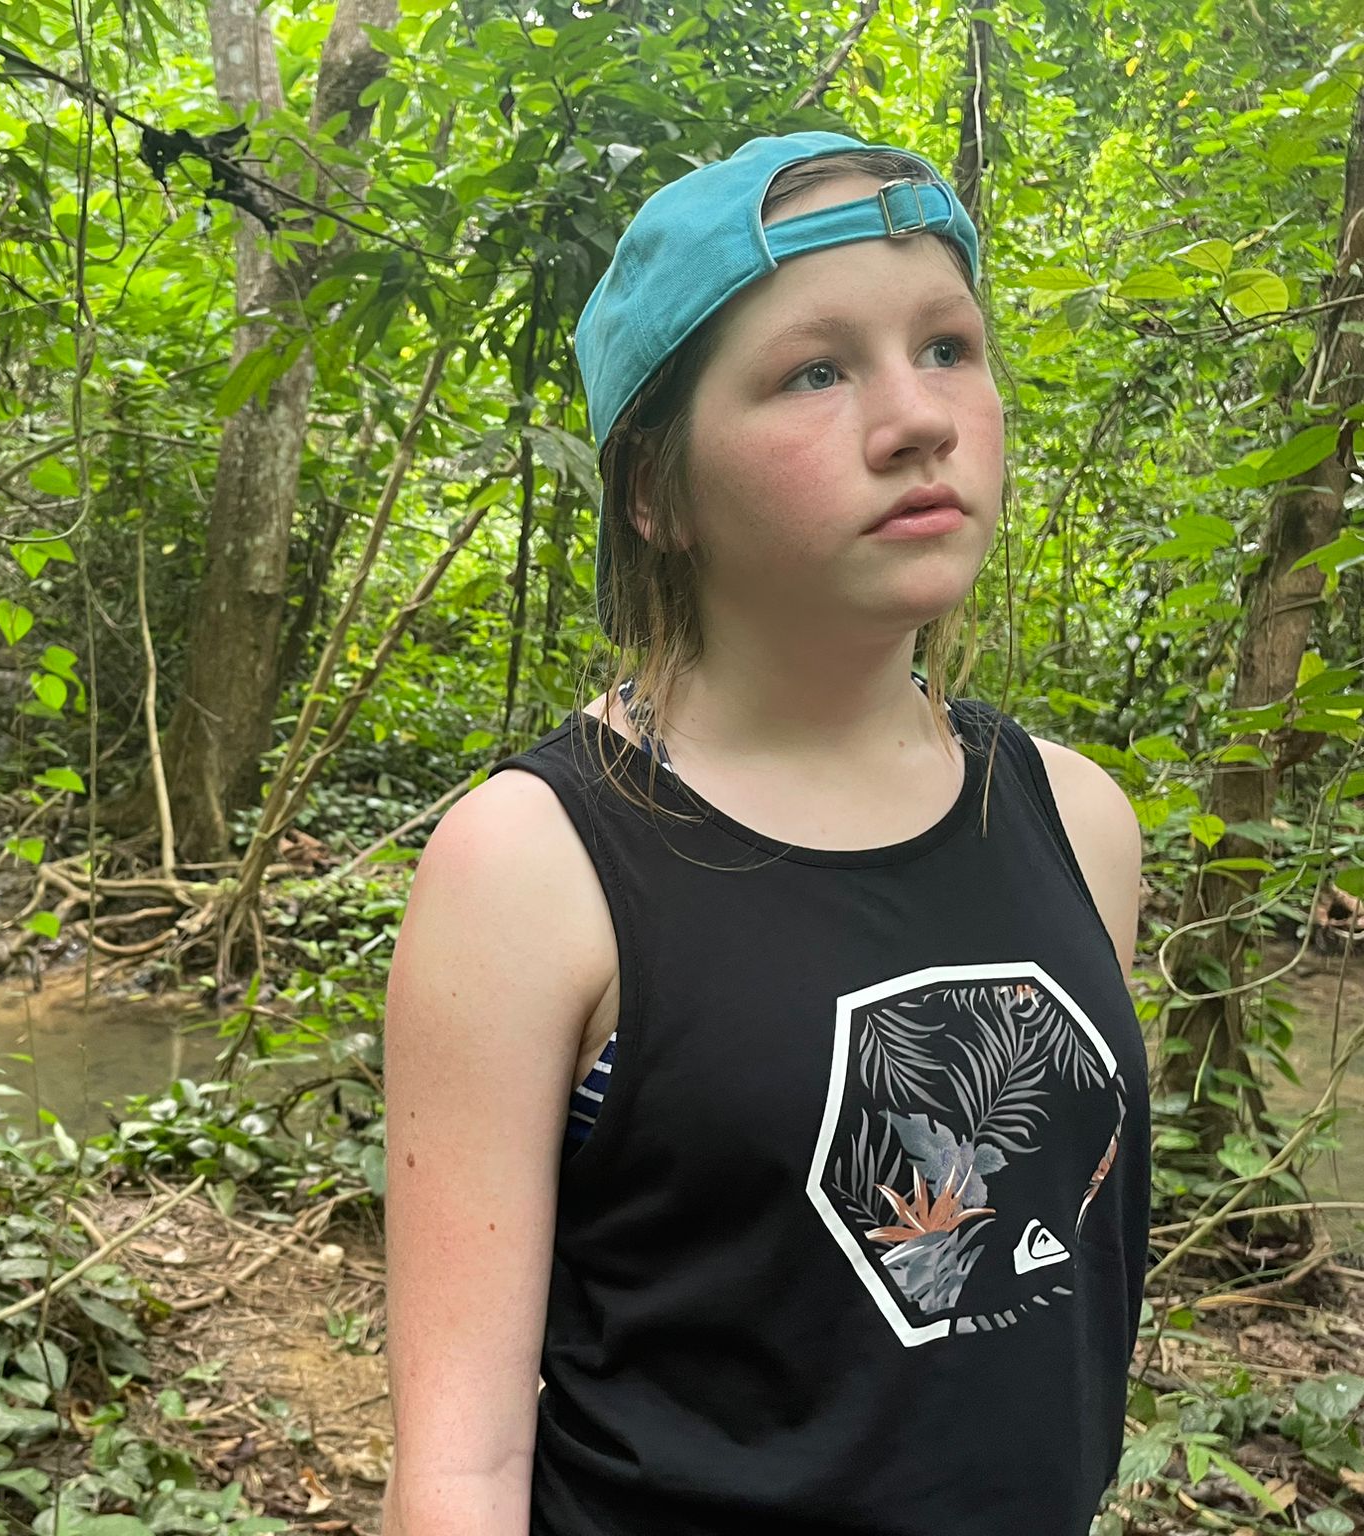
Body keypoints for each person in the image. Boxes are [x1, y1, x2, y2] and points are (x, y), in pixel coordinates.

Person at [379, 130, 1150, 1536]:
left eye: (948, 348)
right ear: (654, 491)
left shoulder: (1075, 819)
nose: (917, 419)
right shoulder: (535, 868)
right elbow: (460, 1467)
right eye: (815, 371)